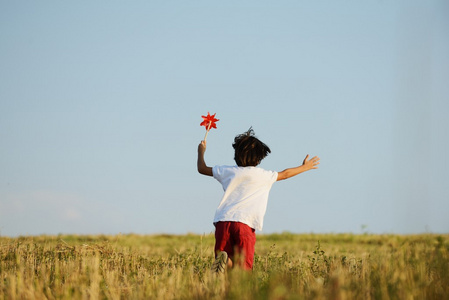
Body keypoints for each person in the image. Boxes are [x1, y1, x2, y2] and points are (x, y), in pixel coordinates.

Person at [197, 127, 320, 272]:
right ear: (259, 157)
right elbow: (286, 174)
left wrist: (201, 152)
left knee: (227, 260)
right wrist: (305, 167)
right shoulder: (264, 175)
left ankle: (226, 261)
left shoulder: (227, 171)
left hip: (223, 222)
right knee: (244, 269)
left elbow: (202, 168)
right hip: (245, 223)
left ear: (236, 155)